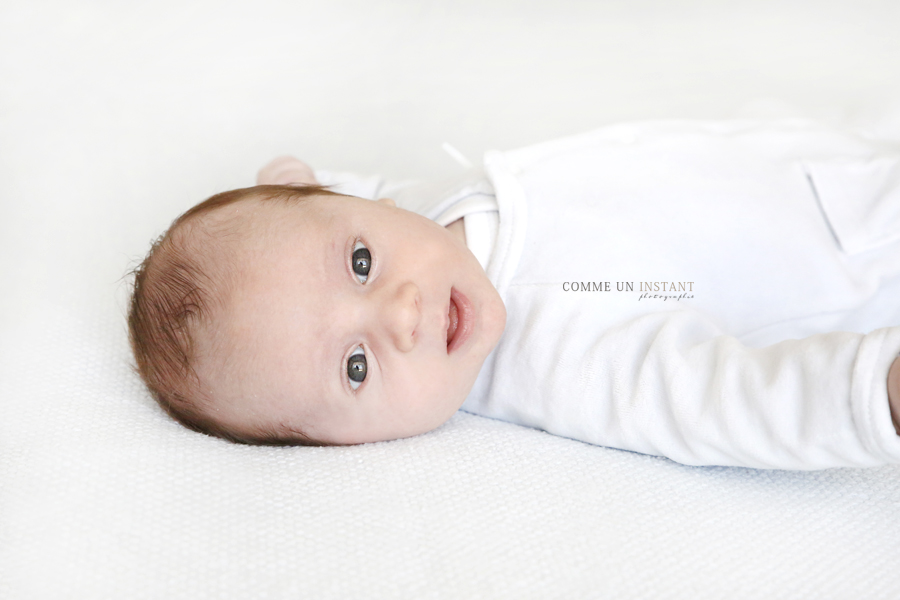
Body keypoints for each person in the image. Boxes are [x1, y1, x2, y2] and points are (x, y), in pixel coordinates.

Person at [128, 118, 900, 469]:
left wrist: (298, 185)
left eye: (360, 263)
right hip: (865, 264)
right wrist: (872, 397)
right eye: (356, 368)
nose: (399, 312)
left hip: (827, 158)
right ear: (344, 449)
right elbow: (716, 401)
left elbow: (346, 208)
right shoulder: (553, 357)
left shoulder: (410, 220)